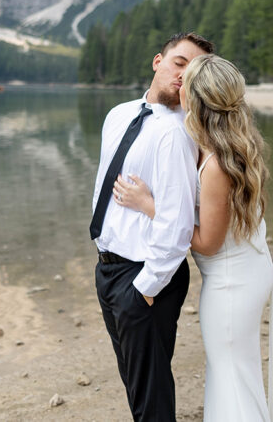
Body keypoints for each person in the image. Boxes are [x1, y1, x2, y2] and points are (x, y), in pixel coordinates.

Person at [114, 54, 273, 422]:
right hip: (242, 272)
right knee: (237, 373)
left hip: (230, 283)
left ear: (195, 98)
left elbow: (207, 242)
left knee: (231, 377)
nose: (178, 84)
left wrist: (151, 206)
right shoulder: (219, 141)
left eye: (185, 82)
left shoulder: (218, 163)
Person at [90, 32, 214, 421]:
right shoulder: (118, 114)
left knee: (151, 391)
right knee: (135, 381)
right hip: (109, 267)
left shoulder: (179, 134)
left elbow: (178, 224)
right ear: (157, 61)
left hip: (145, 275)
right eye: (179, 63)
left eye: (193, 71)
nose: (183, 76)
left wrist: (145, 288)